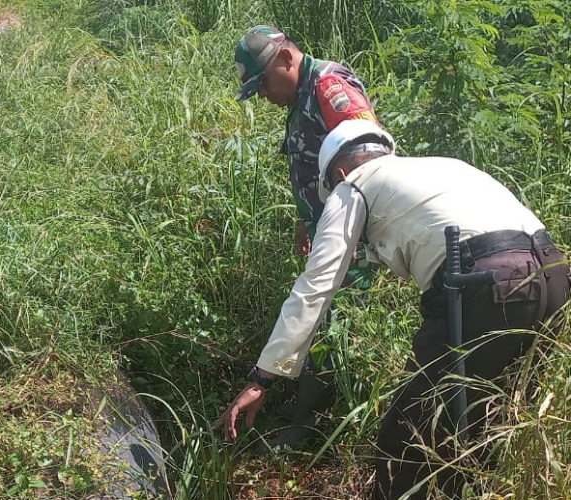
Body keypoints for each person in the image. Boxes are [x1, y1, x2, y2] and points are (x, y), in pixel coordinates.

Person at [214, 119, 570, 499]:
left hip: (483, 284)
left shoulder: (351, 186)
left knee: (407, 436)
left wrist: (263, 377)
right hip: (555, 277)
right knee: (487, 421)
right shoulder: (442, 166)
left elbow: (316, 285)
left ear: (338, 172)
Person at [234, 24, 379, 447]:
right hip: (330, 230)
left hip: (351, 236)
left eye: (263, 84)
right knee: (320, 318)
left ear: (285, 59)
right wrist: (306, 217)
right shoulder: (301, 98)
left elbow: (369, 156)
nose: (263, 95)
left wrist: (353, 234)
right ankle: (309, 406)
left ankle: (310, 425)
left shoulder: (329, 85)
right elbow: (314, 164)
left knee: (328, 321)